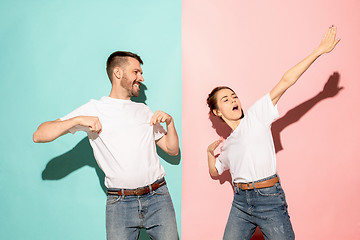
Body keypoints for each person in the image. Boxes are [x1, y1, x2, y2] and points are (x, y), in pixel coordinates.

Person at [206, 26, 340, 240]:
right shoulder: (229, 144)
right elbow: (215, 171)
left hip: (268, 197)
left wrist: (319, 51)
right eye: (226, 99)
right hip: (240, 203)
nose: (234, 101)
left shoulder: (256, 117)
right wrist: (208, 152)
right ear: (216, 111)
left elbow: (285, 82)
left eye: (234, 96)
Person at [33, 51, 179, 240]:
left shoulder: (144, 110)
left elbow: (172, 150)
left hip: (158, 197)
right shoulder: (94, 109)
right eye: (136, 72)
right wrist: (77, 120)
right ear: (118, 73)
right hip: (120, 203)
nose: (141, 78)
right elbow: (39, 135)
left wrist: (170, 123)